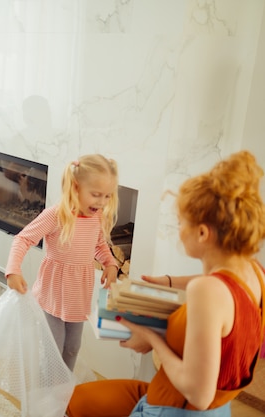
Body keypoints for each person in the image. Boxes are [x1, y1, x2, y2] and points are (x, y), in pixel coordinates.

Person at [66, 150, 265, 417]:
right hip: (197, 403)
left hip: (173, 410)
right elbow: (224, 289)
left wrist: (150, 338)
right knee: (79, 398)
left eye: (181, 223)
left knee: (71, 405)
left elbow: (199, 395)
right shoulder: (254, 272)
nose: (179, 231)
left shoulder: (206, 292)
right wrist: (169, 282)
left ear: (203, 233)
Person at [6, 154, 120, 372]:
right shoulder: (56, 215)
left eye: (107, 196)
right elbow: (23, 239)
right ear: (75, 187)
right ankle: (46, 395)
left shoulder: (97, 217)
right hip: (53, 293)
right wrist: (13, 269)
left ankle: (62, 392)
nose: (102, 202)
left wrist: (110, 263)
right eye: (96, 195)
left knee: (72, 348)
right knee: (53, 351)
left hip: (78, 294)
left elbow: (99, 244)